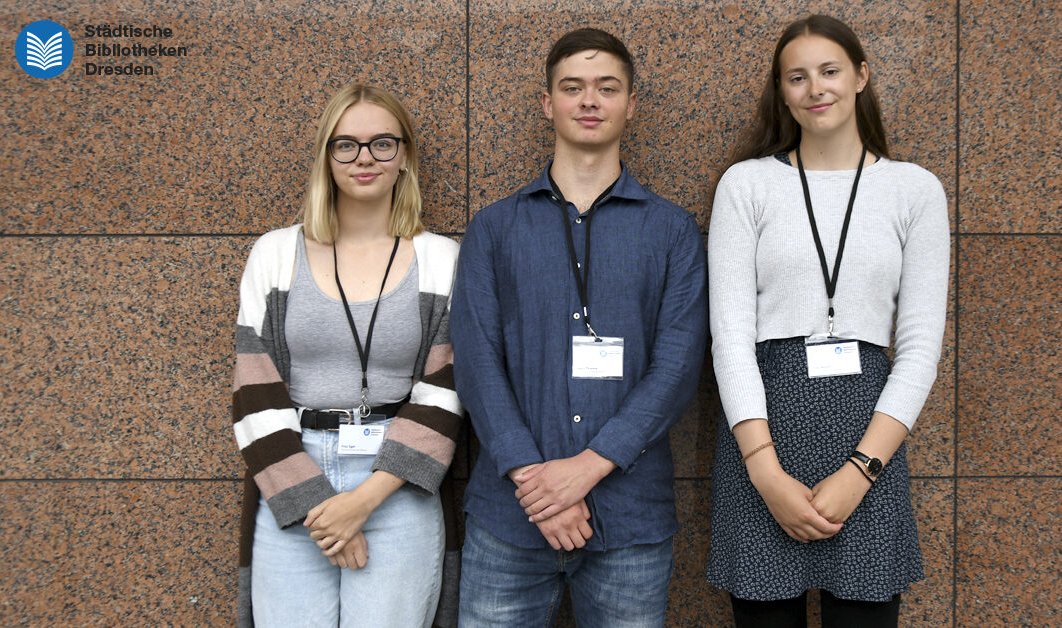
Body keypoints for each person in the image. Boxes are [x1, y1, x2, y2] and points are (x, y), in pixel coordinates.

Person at [450, 27, 708, 627]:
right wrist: (536, 485)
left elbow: (677, 366)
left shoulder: (672, 231)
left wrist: (586, 468)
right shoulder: (494, 229)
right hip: (510, 518)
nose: (589, 100)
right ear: (548, 103)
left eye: (606, 87)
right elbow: (478, 362)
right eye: (573, 87)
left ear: (630, 104)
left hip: (631, 520)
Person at [706, 15, 950, 627]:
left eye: (830, 70)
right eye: (798, 76)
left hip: (870, 440)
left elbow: (920, 346)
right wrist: (764, 471)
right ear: (782, 92)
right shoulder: (748, 184)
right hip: (763, 434)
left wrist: (862, 470)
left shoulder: (913, 191)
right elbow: (729, 338)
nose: (816, 87)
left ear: (861, 76)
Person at [231, 83, 463, 627]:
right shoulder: (274, 255)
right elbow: (254, 388)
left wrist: (362, 501)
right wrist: (319, 506)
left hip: (399, 483)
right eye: (347, 144)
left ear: (404, 156)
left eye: (383, 143)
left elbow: (447, 389)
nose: (364, 158)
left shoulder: (440, 260)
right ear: (326, 156)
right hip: (291, 478)